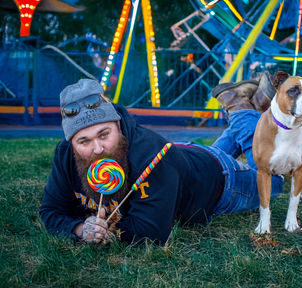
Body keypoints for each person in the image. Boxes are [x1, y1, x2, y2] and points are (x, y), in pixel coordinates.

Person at [39, 73, 283, 246]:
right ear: (71, 143)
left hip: (219, 181)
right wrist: (81, 229)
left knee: (273, 181)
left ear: (118, 125)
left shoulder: (151, 157)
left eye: (104, 134)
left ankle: (240, 110)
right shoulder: (65, 155)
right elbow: (50, 210)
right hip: (185, 161)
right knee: (222, 151)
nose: (98, 149)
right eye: (84, 141)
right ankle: (245, 111)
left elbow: (152, 233)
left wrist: (106, 233)